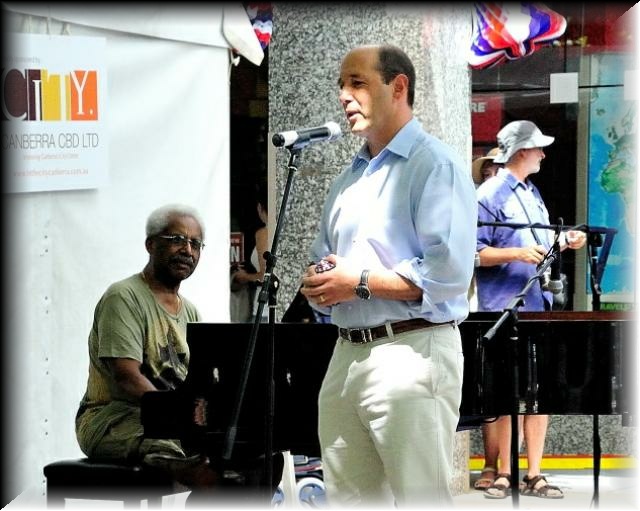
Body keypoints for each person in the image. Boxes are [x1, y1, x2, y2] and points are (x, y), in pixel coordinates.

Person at [300, 44, 477, 507]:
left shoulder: (435, 165)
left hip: (412, 350)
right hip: (345, 353)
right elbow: (326, 260)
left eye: (357, 83)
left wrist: (356, 281)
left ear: (398, 87)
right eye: (341, 84)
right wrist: (319, 283)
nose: (344, 95)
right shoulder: (347, 181)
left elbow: (449, 275)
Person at [75, 204, 281, 505]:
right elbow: (127, 377)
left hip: (175, 424)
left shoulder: (191, 312)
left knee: (263, 454)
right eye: (176, 239)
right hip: (115, 419)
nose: (188, 250)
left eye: (195, 244)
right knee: (198, 465)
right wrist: (180, 418)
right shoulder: (124, 296)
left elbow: (200, 383)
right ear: (150, 244)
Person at [475, 120, 586, 499]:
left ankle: (534, 472)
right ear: (522, 151)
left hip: (538, 307)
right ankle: (505, 471)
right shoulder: (489, 194)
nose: (542, 153)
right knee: (506, 392)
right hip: (503, 309)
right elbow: (471, 253)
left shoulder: (531, 192)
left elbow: (539, 245)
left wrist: (563, 241)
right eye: (538, 147)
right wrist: (516, 253)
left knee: (540, 392)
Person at [469, 146, 501, 491]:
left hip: (514, 304)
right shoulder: (477, 204)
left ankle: (524, 469)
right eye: (490, 169)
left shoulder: (525, 203)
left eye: (501, 168)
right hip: (479, 307)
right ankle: (491, 465)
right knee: (491, 393)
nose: (494, 173)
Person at [230, 194, 270, 322]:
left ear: (260, 208)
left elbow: (266, 277)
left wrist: (244, 276)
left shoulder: (264, 233)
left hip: (265, 307)